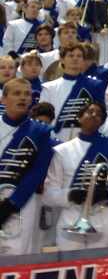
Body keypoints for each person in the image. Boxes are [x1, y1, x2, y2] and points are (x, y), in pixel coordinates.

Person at [44, 101, 108, 250]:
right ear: (79, 117)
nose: (94, 115)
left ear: (103, 121)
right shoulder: (62, 150)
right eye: (90, 111)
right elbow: (50, 194)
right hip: (71, 218)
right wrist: (71, 195)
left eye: (99, 114)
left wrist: (105, 194)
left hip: (103, 217)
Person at [0, 78, 54, 255]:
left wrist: (12, 203)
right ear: (3, 99)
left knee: (17, 254)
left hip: (21, 202)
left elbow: (38, 171)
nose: (22, 98)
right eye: (17, 93)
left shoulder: (41, 131)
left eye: (27, 94)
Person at [40, 44, 106, 142]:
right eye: (71, 56)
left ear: (83, 60)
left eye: (79, 56)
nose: (75, 59)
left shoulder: (95, 85)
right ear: (62, 60)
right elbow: (42, 118)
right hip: (55, 140)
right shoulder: (49, 87)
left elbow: (101, 115)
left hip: (87, 140)